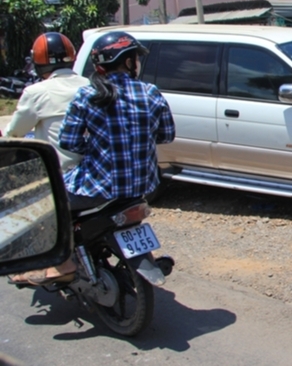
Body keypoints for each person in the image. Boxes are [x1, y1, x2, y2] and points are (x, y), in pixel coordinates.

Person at [10, 32, 176, 285]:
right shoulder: (151, 92)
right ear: (130, 62)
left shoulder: (88, 95)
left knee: (47, 202)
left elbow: (69, 143)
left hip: (98, 188)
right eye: (135, 59)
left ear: (99, 65)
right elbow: (166, 135)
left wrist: (98, 146)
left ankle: (63, 263)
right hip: (145, 187)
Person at [2, 32, 89, 170]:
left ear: (37, 62)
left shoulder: (36, 92)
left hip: (60, 177)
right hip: (95, 176)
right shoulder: (92, 86)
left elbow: (13, 133)